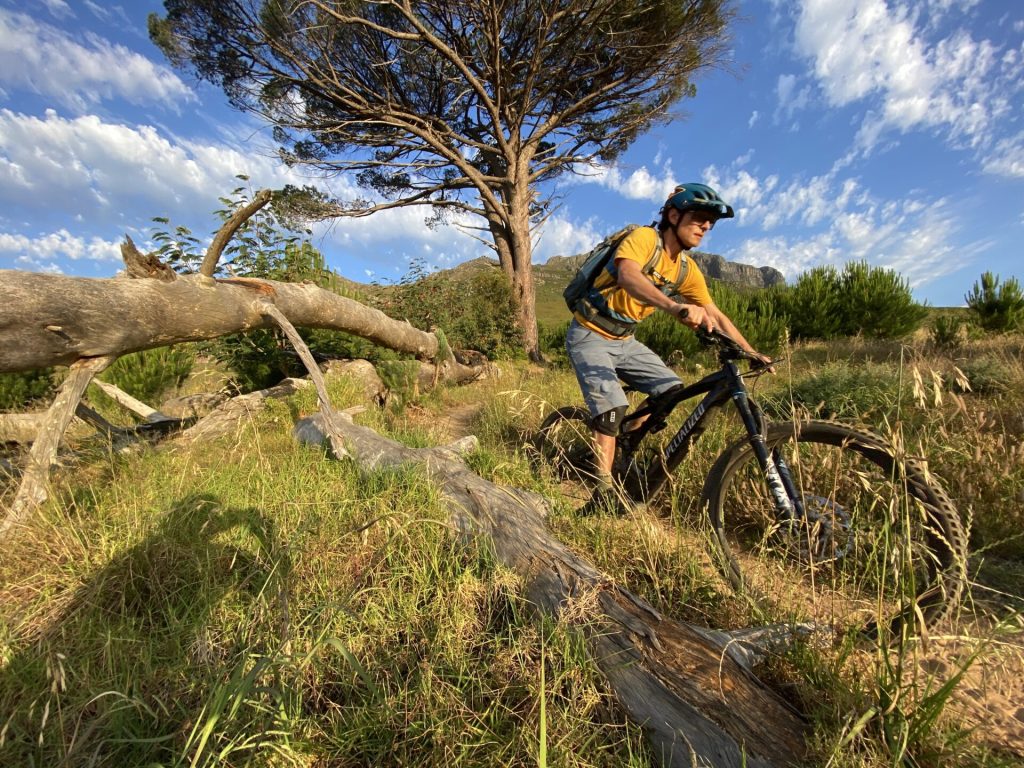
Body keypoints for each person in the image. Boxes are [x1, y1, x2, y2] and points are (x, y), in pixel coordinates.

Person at [565, 183, 773, 512]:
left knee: (672, 390)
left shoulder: (686, 269)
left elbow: (716, 314)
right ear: (673, 215)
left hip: (625, 339)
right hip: (589, 332)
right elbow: (628, 275)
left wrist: (751, 351)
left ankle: (627, 444)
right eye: (700, 218)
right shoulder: (646, 240)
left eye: (711, 223)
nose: (706, 226)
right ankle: (602, 497)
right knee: (610, 410)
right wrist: (674, 307)